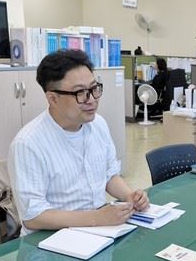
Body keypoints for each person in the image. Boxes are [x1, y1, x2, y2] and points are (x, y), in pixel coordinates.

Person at [8, 49, 149, 233]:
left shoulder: (98, 124)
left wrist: (129, 195)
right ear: (53, 98)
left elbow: (109, 175)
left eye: (94, 88)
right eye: (80, 93)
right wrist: (96, 218)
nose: (91, 100)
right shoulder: (28, 144)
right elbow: (33, 216)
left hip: (97, 231)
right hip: (52, 240)